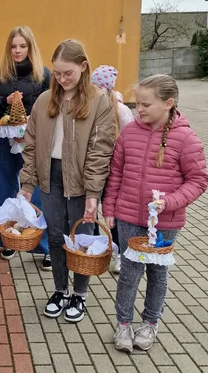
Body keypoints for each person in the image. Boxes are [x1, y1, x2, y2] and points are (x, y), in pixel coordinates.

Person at [104, 74, 208, 352]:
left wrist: (171, 202)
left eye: (146, 105)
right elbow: (116, 172)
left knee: (157, 274)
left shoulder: (186, 137)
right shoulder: (130, 132)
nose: (139, 110)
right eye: (138, 103)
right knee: (129, 273)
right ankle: (123, 323)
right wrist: (110, 208)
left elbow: (198, 180)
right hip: (127, 216)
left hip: (164, 222)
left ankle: (150, 323)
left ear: (168, 104)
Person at [19, 40, 115, 323]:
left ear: (83, 67)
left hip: (82, 180)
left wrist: (93, 193)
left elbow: (101, 150)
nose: (61, 79)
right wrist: (27, 184)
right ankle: (61, 290)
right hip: (51, 177)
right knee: (56, 236)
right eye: (57, 73)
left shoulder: (100, 100)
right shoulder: (43, 100)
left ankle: (80, 294)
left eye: (67, 73)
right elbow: (31, 144)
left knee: (82, 239)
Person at [0, 26, 51, 267]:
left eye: (22, 46)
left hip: (33, 140)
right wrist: (5, 101)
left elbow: (50, 109)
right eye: (14, 46)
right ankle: (8, 239)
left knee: (36, 190)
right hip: (3, 139)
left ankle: (42, 244)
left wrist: (30, 132)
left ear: (30, 47)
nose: (18, 50)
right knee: (4, 188)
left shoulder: (43, 75)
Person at [90, 65, 134, 273]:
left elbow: (131, 141)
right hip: (93, 169)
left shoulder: (121, 110)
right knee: (90, 210)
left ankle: (118, 254)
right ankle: (97, 247)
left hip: (115, 173)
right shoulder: (90, 106)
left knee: (113, 214)